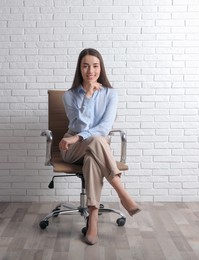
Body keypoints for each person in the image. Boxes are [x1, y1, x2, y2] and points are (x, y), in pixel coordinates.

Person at [59, 48, 141, 245]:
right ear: (79, 69)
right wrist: (87, 96)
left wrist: (79, 137)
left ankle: (93, 218)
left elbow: (104, 128)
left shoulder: (111, 94)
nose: (90, 71)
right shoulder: (69, 95)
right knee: (95, 141)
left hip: (93, 148)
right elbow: (79, 126)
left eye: (95, 66)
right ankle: (121, 192)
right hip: (71, 150)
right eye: (85, 66)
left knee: (93, 153)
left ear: (101, 68)